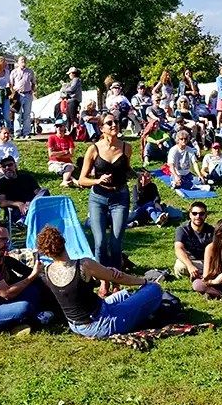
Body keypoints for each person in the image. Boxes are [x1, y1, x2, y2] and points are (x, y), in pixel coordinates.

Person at [37, 225, 162, 338]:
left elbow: (75, 290)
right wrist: (144, 282)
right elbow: (120, 278)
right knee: (154, 290)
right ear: (63, 242)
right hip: (100, 323)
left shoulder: (47, 270)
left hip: (76, 324)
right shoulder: (84, 264)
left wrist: (104, 272)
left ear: (47, 253)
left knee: (122, 295)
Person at [75, 113, 132, 272]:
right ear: (101, 128)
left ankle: (116, 280)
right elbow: (81, 180)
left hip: (120, 197)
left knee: (115, 243)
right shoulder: (93, 149)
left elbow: (126, 170)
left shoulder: (126, 147)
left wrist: (139, 176)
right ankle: (103, 279)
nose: (114, 125)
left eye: (116, 122)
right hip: (98, 198)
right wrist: (97, 181)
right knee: (99, 242)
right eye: (109, 123)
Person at [0, 156, 46, 222]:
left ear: (15, 165)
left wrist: (31, 203)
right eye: (4, 166)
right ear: (2, 169)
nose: (7, 168)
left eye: (10, 165)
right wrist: (18, 204)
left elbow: (38, 192)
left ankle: (30, 209)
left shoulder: (27, 177)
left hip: (33, 206)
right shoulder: (0, 183)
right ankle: (26, 216)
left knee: (44, 191)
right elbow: (2, 202)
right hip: (15, 210)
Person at [173, 200, 214, 279]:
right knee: (180, 266)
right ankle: (202, 274)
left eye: (201, 214)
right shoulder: (182, 229)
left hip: (206, 261)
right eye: (194, 213)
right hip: (190, 261)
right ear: (190, 215)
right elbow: (178, 248)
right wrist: (190, 266)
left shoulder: (211, 230)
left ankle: (201, 274)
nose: (198, 216)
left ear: (206, 215)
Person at [8, 55, 36, 138]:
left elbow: (33, 82)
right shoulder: (14, 72)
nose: (23, 61)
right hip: (17, 95)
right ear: (18, 62)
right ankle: (17, 133)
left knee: (27, 114)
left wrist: (32, 90)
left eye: (24, 60)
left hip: (27, 94)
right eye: (21, 60)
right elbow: (10, 84)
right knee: (17, 114)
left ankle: (26, 133)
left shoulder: (30, 71)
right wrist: (13, 92)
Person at [47, 118, 75, 187]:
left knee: (70, 167)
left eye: (60, 126)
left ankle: (64, 181)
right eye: (57, 126)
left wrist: (58, 155)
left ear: (64, 127)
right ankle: (68, 180)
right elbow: (51, 154)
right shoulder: (51, 138)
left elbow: (71, 154)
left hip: (67, 162)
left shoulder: (69, 138)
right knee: (59, 169)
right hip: (54, 162)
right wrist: (64, 152)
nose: (58, 128)